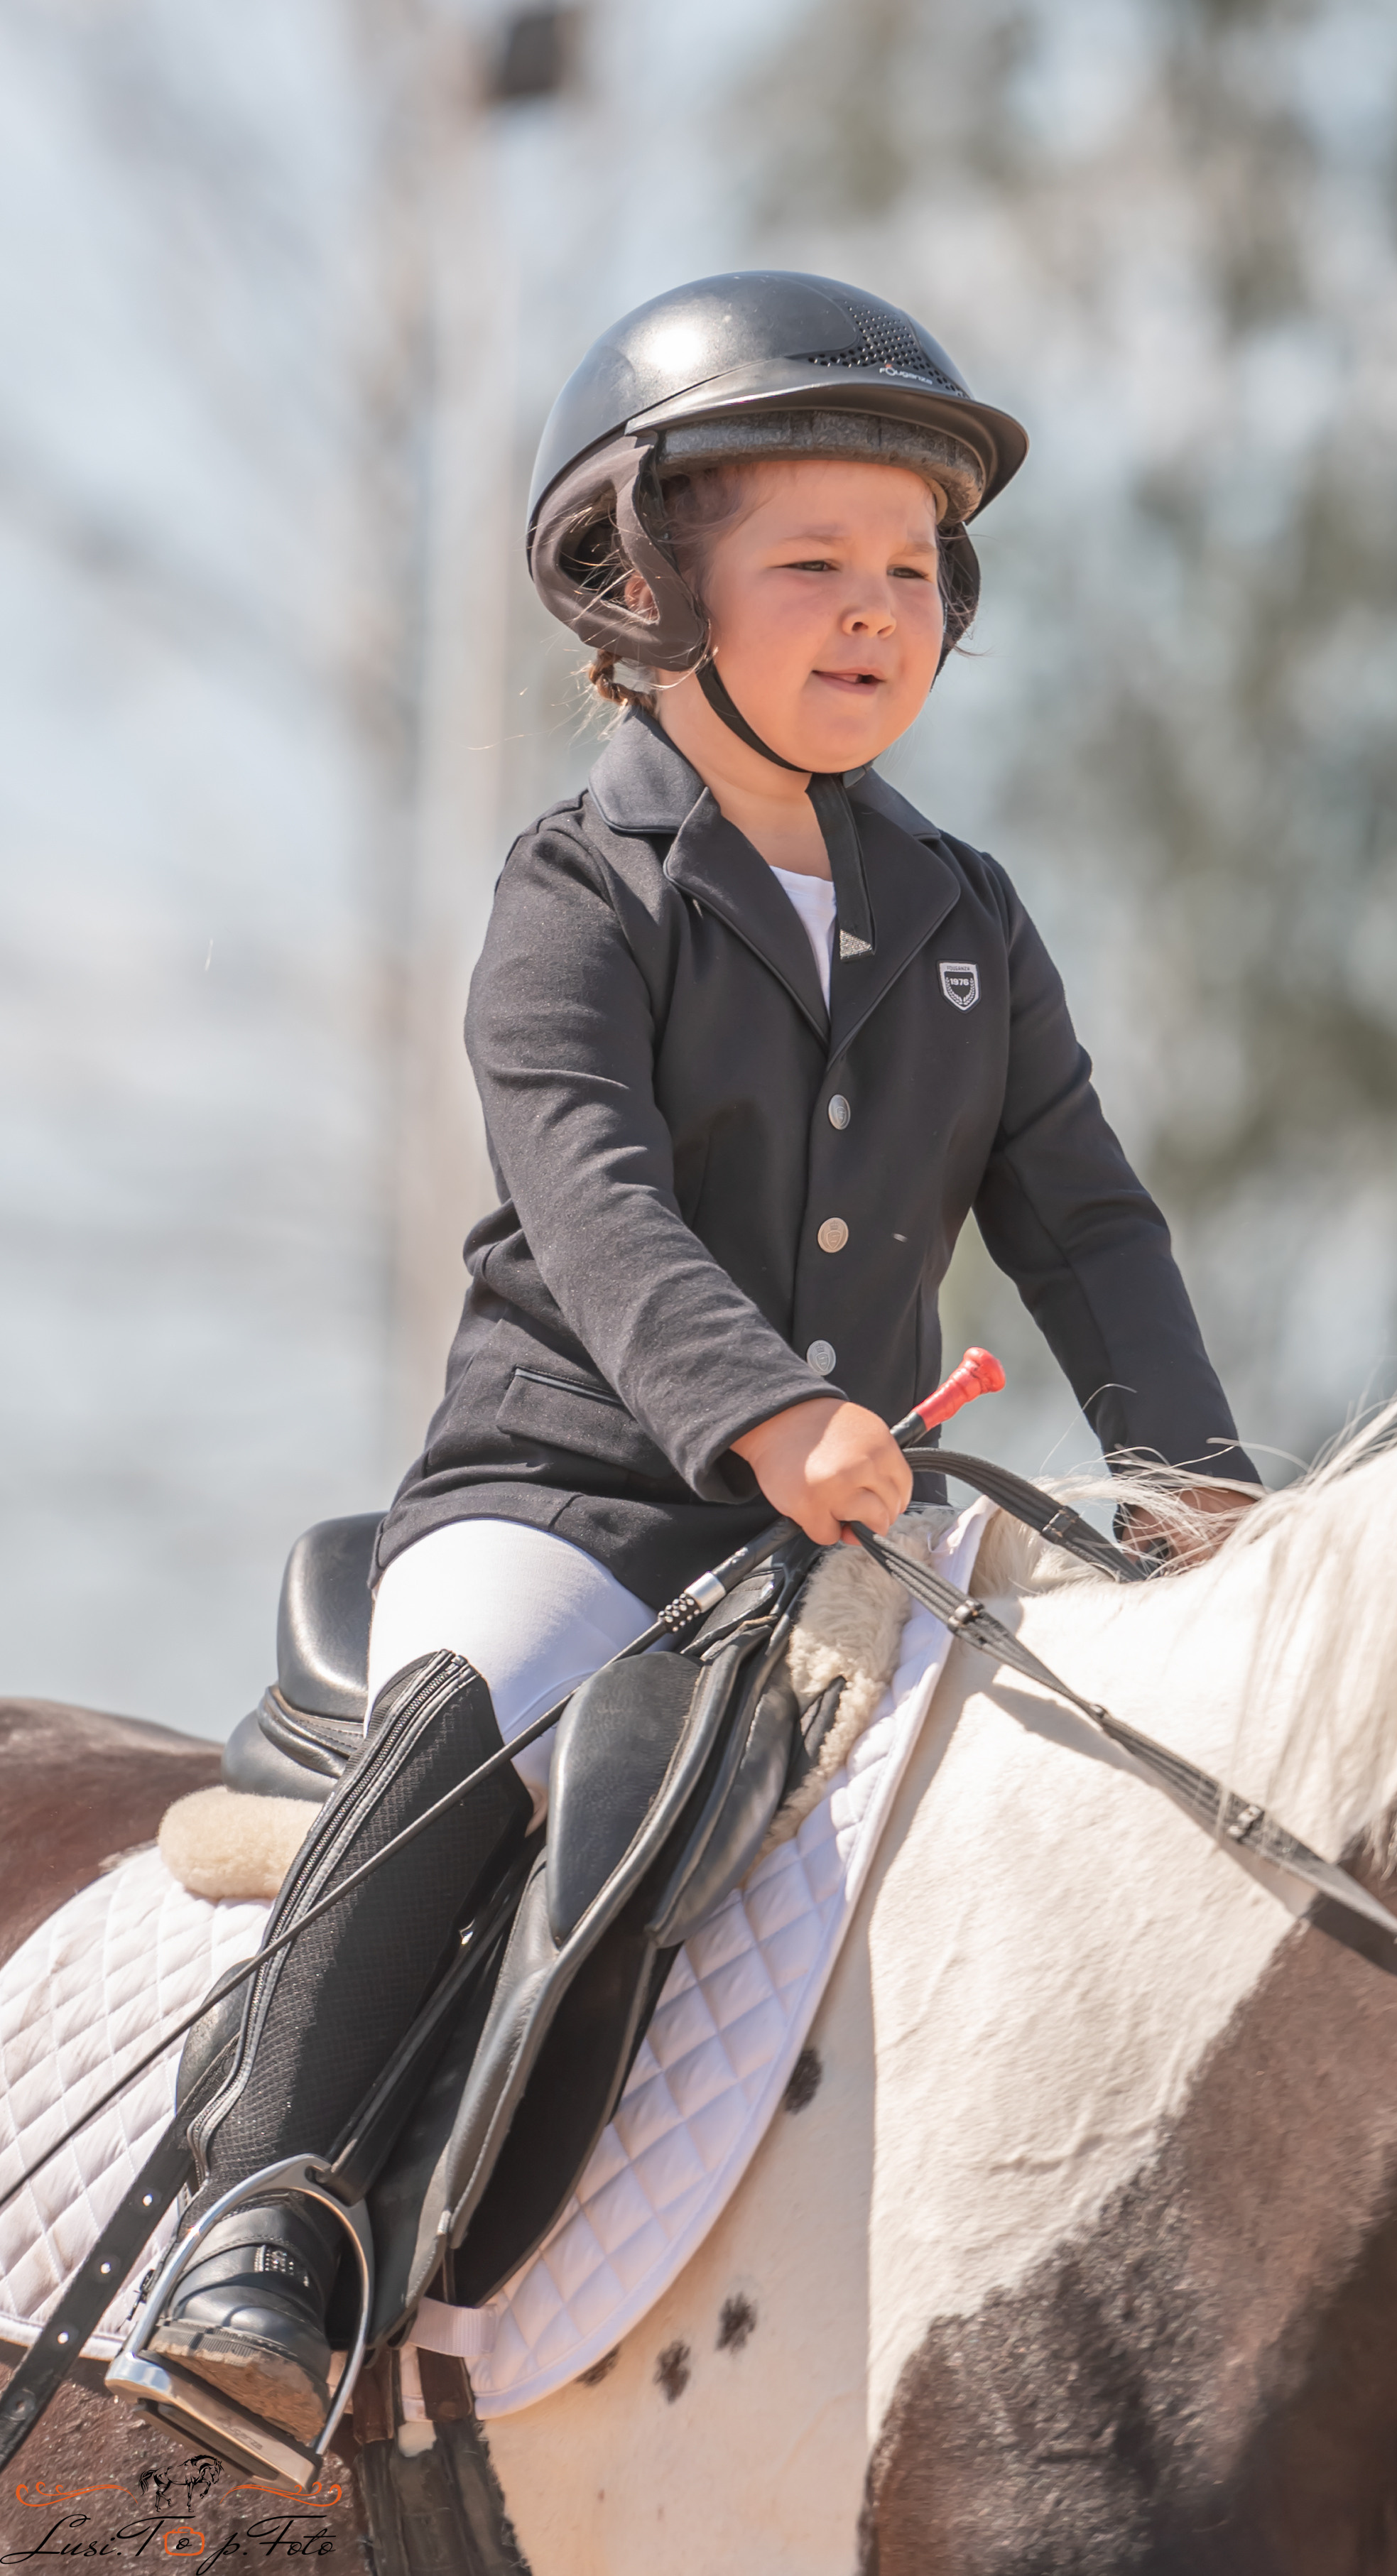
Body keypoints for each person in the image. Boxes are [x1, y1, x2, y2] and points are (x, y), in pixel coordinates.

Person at [140, 271, 1259, 2449]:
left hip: (860, 1521)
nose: (876, 613)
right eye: (815, 566)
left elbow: (1086, 1214)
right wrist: (758, 1401)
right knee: (477, 1702)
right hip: (578, 1494)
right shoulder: (578, 885)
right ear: (651, 589)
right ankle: (271, 2213)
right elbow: (589, 1183)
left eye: (913, 570)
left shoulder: (967, 914)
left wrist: (1194, 1470)